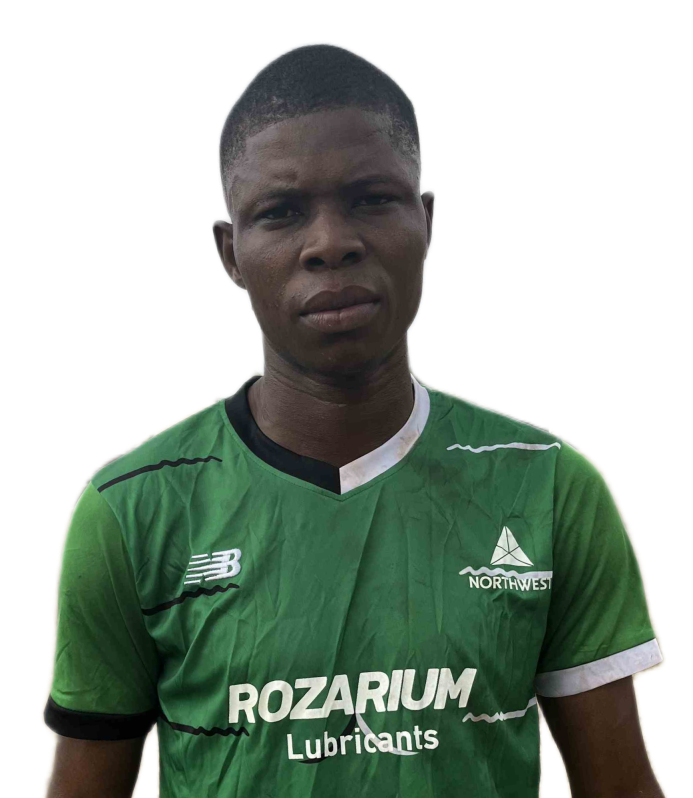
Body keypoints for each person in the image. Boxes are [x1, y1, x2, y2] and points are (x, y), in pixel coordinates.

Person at [42, 41, 666, 797]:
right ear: (230, 253)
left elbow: (620, 788)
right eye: (281, 212)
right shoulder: (132, 509)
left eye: (371, 199)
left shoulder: (548, 489)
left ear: (425, 220)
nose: (331, 244)